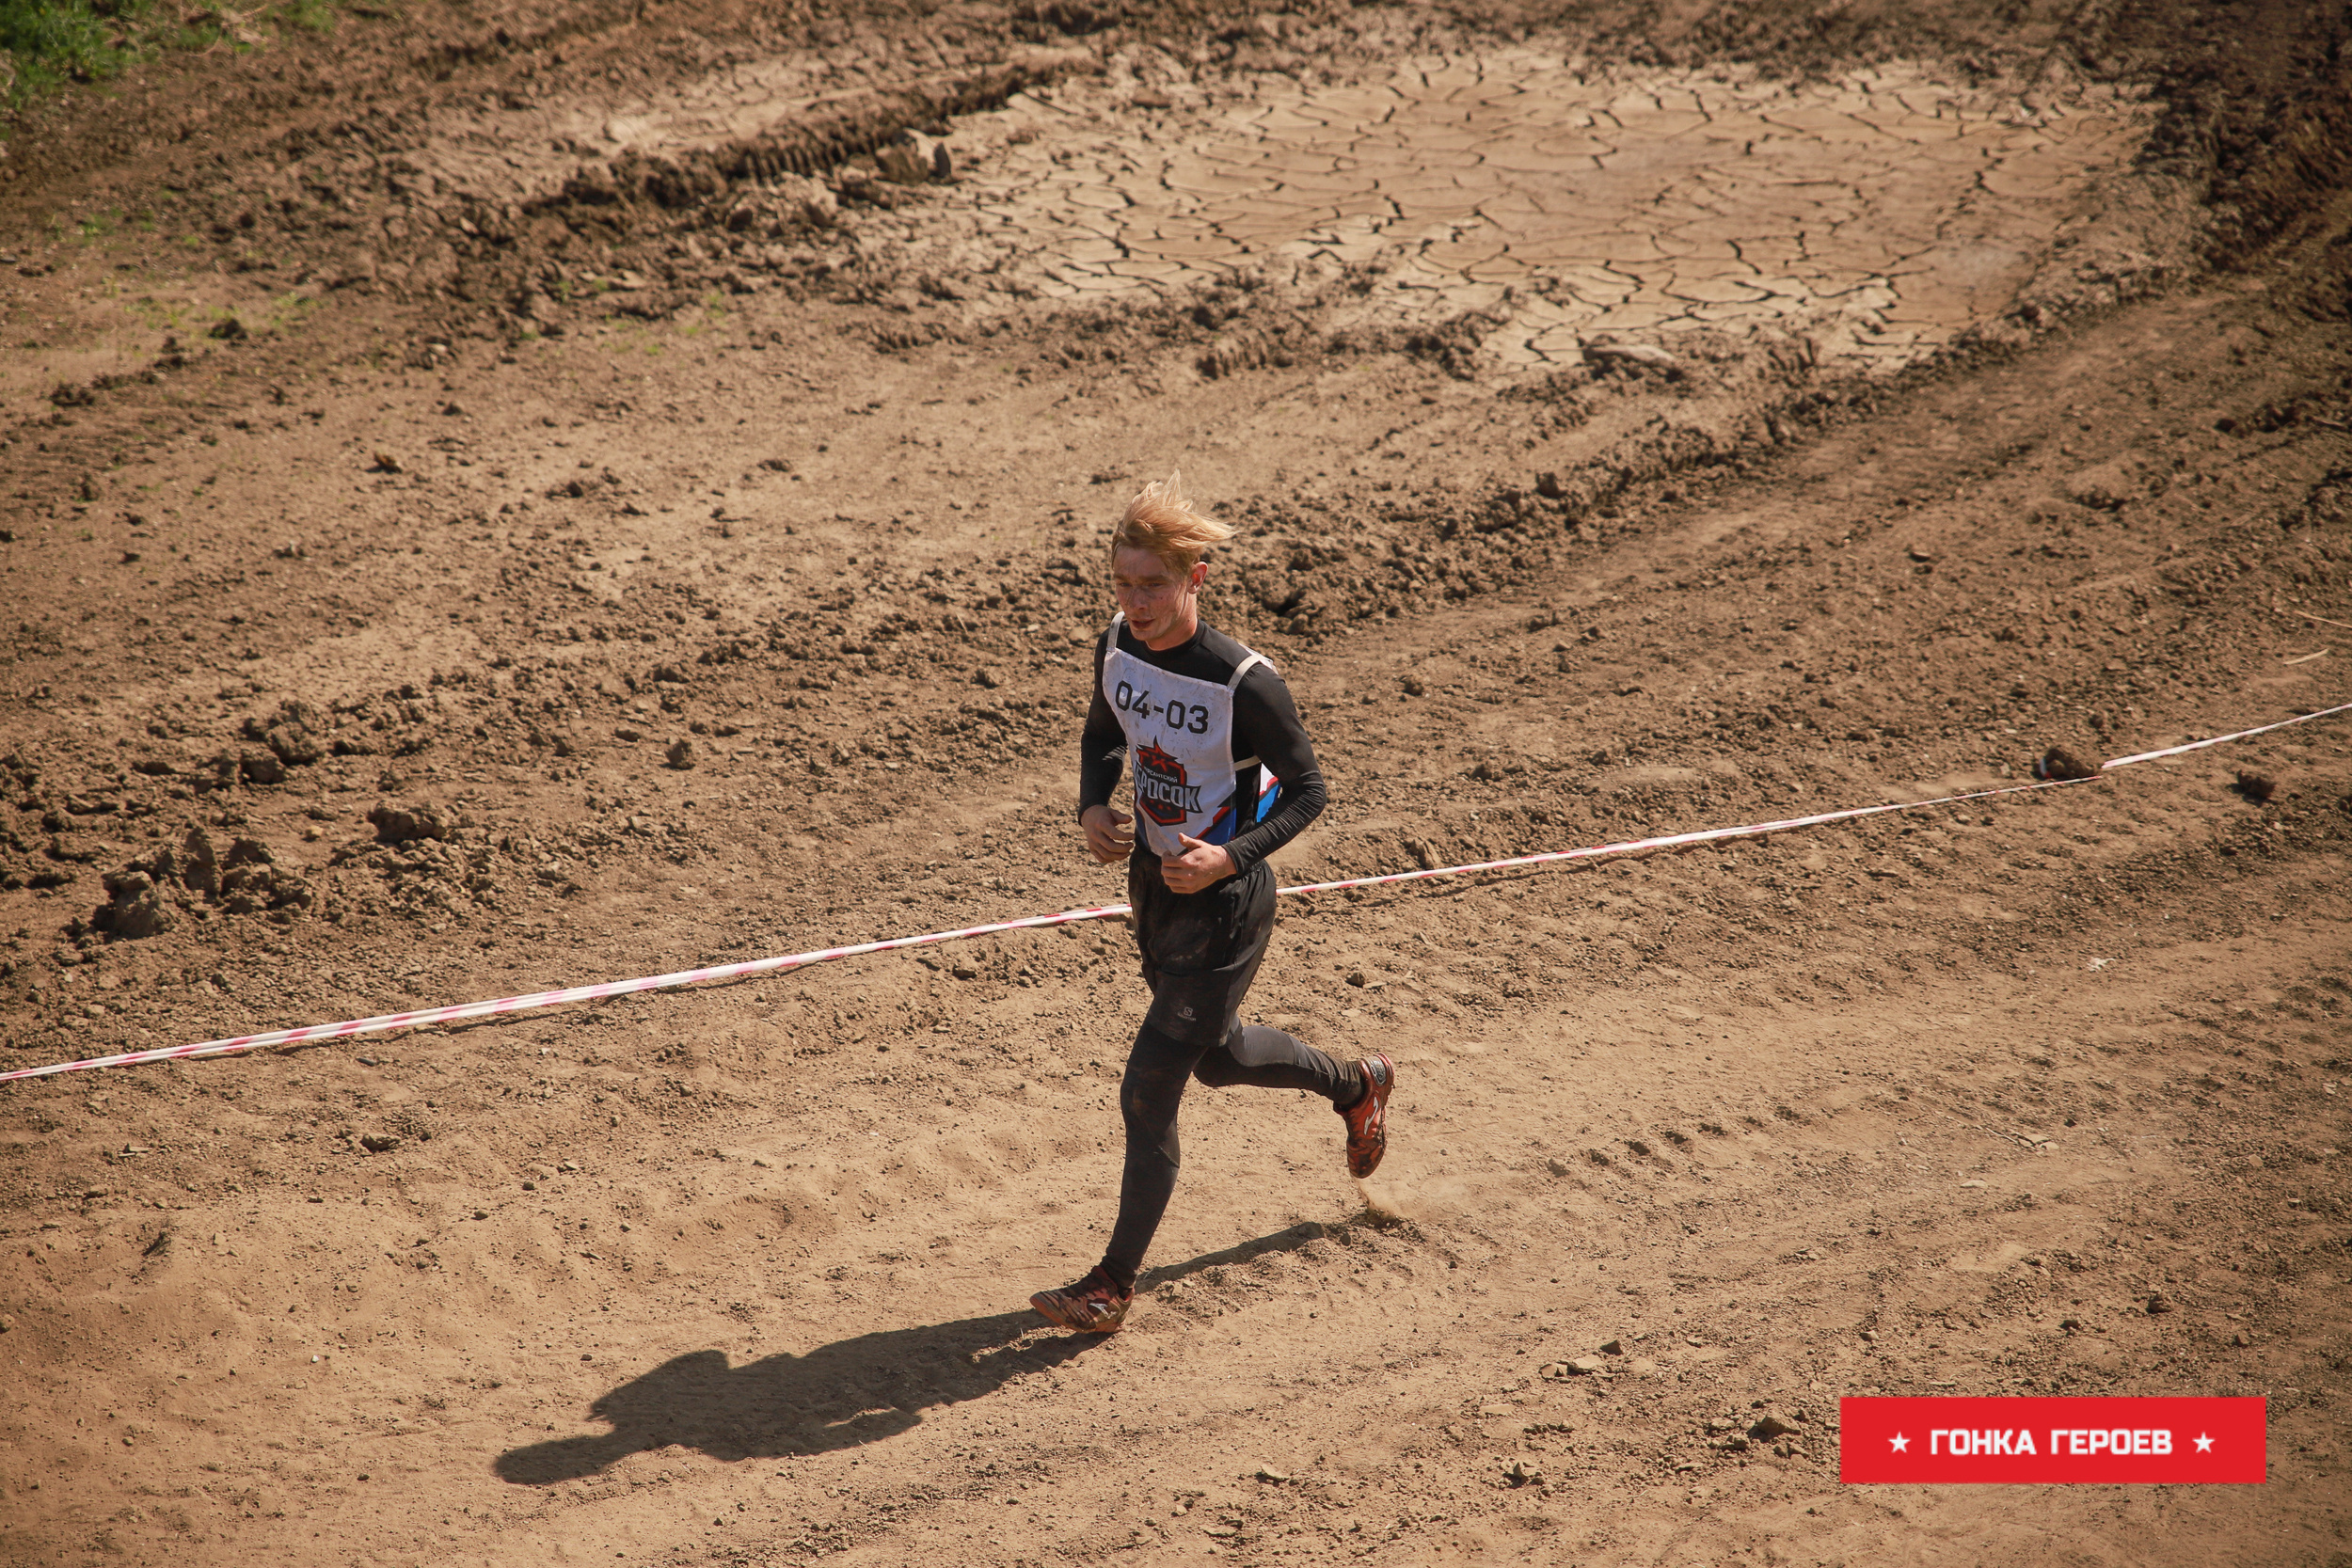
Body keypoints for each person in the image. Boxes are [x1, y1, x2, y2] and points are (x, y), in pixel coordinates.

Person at [1028, 471, 1396, 1334]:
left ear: (1195, 578)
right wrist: (1092, 804)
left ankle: (1109, 1286)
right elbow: (1100, 734)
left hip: (1227, 906)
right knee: (1218, 1057)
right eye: (1122, 582)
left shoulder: (1243, 682)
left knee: (1149, 1091)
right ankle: (1357, 1084)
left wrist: (1230, 855)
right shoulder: (1117, 644)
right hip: (1155, 891)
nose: (1135, 600)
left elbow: (1308, 792)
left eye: (1152, 583)